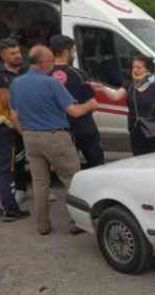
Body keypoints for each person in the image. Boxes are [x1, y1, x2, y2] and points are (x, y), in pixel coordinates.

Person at [9, 45, 97, 235]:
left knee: (40, 184)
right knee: (72, 180)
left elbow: (14, 115)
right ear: (42, 63)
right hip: (55, 137)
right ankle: (78, 221)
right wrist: (90, 104)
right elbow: (74, 111)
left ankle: (43, 225)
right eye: (50, 60)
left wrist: (24, 133)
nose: (53, 63)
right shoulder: (51, 84)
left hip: (30, 137)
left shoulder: (16, 83)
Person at [90, 55, 155, 155]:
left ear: (147, 69)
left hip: (153, 129)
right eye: (133, 67)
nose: (135, 70)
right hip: (135, 128)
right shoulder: (130, 84)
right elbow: (115, 96)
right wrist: (103, 88)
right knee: (138, 156)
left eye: (138, 67)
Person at [50, 35, 104, 168]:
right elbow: (93, 104)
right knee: (96, 163)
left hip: (56, 128)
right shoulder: (77, 74)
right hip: (82, 127)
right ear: (65, 52)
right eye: (72, 51)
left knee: (66, 167)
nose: (73, 54)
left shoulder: (45, 74)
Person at [0, 38, 28, 204]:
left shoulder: (27, 70)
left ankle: (43, 189)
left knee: (36, 156)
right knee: (16, 159)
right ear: (3, 56)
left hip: (32, 120)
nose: (17, 56)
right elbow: (6, 103)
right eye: (13, 54)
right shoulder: (1, 76)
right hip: (11, 124)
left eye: (18, 52)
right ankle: (20, 188)